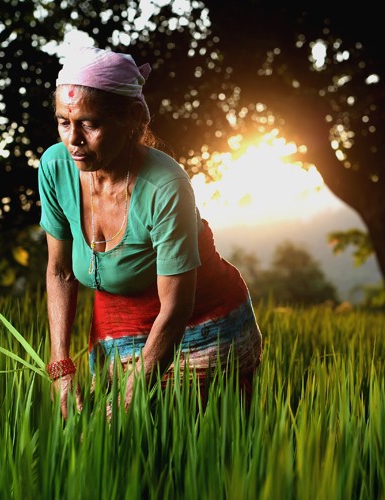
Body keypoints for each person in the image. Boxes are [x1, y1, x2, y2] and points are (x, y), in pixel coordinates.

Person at [37, 45, 262, 419]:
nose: (73, 139)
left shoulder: (165, 185)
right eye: (63, 122)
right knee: (116, 453)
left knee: (189, 451)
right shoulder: (55, 166)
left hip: (202, 328)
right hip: (117, 327)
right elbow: (60, 271)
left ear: (131, 120)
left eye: (90, 124)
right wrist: (61, 366)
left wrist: (133, 390)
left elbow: (176, 306)